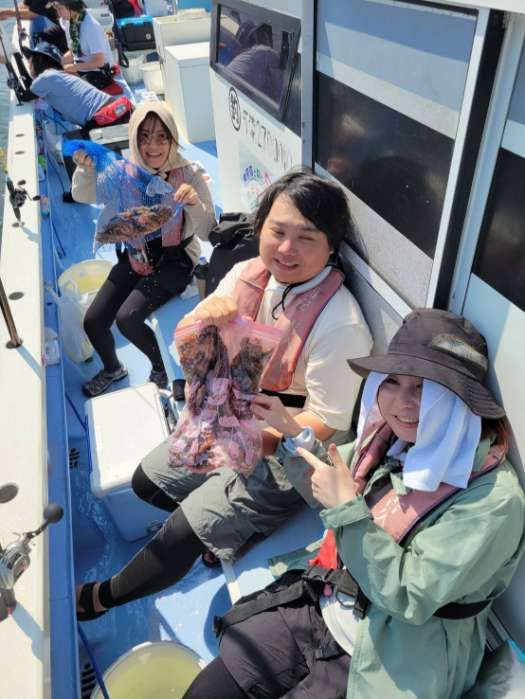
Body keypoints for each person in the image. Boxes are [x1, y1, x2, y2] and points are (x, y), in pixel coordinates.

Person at [182, 308, 525, 699]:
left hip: (390, 655)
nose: (403, 402)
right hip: (323, 599)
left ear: (461, 400)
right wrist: (290, 431)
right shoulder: (394, 441)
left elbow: (410, 595)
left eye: (425, 388)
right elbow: (332, 484)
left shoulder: (494, 501)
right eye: (392, 381)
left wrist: (347, 510)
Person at [75, 170, 372, 620]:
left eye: (306, 238)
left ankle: (103, 598)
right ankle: (222, 523)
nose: (286, 249)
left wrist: (253, 440)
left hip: (287, 449)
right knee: (146, 482)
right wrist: (205, 323)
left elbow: (328, 423)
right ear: (261, 227)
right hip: (228, 416)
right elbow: (188, 341)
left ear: (332, 246)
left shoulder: (341, 323)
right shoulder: (247, 274)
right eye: (277, 231)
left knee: (181, 534)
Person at [71, 101, 216, 396]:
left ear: (173, 139)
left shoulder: (191, 174)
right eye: (144, 136)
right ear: (134, 138)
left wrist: (194, 203)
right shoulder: (123, 172)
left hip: (175, 261)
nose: (153, 146)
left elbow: (207, 231)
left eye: (162, 136)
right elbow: (83, 194)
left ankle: (160, 365)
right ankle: (113, 368)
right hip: (136, 255)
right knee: (93, 321)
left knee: (127, 318)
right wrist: (85, 170)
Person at [19, 42, 132, 128]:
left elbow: (24, 96)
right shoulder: (61, 75)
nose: (29, 64)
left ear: (37, 61)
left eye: (30, 60)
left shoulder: (45, 77)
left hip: (102, 117)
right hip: (118, 107)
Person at [53, 0, 115, 85]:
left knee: (64, 85)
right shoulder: (69, 23)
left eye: (60, 8)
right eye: (56, 9)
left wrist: (74, 67)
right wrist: (60, 63)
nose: (58, 13)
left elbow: (99, 62)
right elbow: (73, 52)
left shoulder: (91, 26)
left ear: (71, 6)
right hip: (82, 69)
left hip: (100, 73)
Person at [0, 0, 67, 52]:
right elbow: (25, 5)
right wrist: (7, 14)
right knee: (43, 38)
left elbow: (33, 14)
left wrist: (8, 12)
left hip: (67, 26)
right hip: (60, 25)